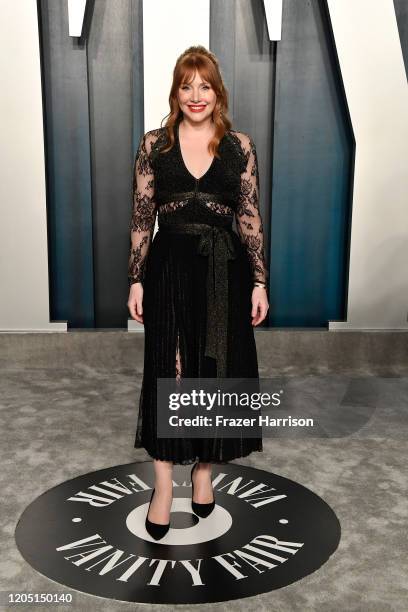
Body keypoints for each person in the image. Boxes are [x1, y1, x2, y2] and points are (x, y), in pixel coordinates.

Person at [127, 46, 269, 540]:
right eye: (187, 85)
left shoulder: (239, 147)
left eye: (204, 85)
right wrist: (136, 278)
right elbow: (143, 218)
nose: (195, 95)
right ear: (176, 91)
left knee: (218, 369)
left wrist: (259, 282)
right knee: (170, 369)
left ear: (217, 92)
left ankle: (203, 472)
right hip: (168, 271)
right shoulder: (154, 146)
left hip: (224, 272)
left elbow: (249, 220)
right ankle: (163, 482)